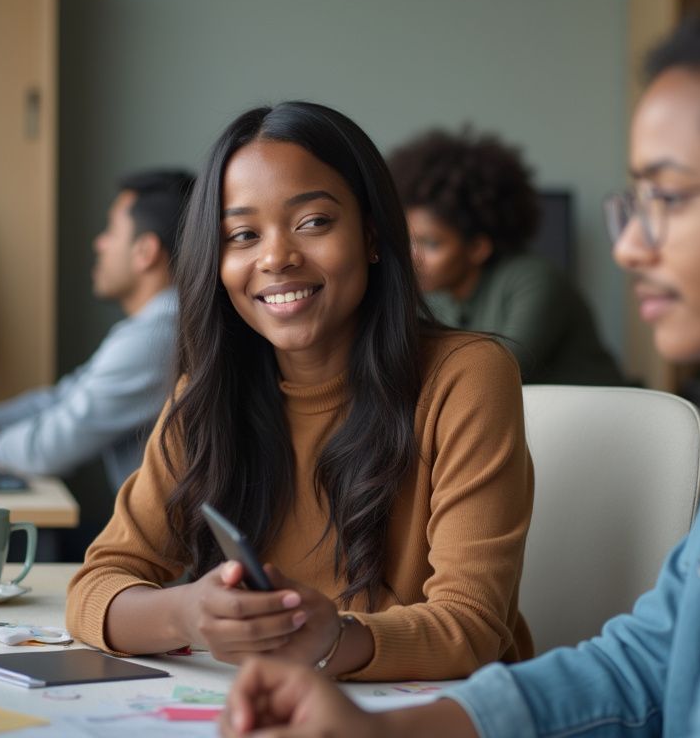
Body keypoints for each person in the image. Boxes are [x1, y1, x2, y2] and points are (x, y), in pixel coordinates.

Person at [220, 0, 700, 736]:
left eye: (670, 199)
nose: (627, 246)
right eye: (633, 203)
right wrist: (383, 731)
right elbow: (647, 665)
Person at [65, 102, 534, 682]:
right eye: (241, 234)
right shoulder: (208, 393)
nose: (275, 257)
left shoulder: (466, 376)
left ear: (371, 235)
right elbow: (97, 585)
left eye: (313, 222)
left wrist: (330, 639)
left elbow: (473, 627)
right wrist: (186, 613)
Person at [0, 169, 192, 492]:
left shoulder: (157, 335)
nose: (99, 243)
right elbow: (63, 398)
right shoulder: (156, 325)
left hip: (166, 542)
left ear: (145, 252)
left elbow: (48, 449)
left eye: (112, 230)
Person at [388, 128, 622, 384]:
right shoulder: (437, 297)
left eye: (431, 244)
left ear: (478, 248)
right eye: (409, 240)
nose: (413, 257)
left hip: (604, 419)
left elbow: (496, 373)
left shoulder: (535, 281)